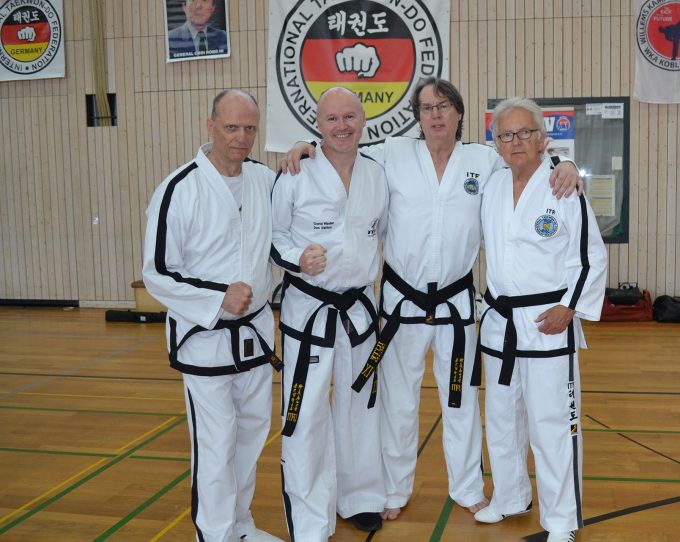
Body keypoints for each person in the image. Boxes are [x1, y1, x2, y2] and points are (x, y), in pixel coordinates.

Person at [282, 78, 583, 522]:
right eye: (425, 108)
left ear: (460, 114)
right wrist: (305, 145)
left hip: (456, 304)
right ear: (417, 117)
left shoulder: (483, 160)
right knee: (397, 403)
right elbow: (342, 146)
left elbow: (530, 164)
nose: (435, 115)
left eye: (443, 106)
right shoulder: (392, 154)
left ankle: (466, 486)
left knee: (459, 399)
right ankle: (394, 489)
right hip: (400, 303)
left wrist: (566, 163)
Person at [142, 89, 283, 542]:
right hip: (205, 338)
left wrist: (305, 152)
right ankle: (216, 534)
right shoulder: (178, 189)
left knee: (251, 436)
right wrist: (219, 296)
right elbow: (158, 273)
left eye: (250, 129)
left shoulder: (263, 179)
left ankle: (241, 526)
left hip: (256, 334)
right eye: (231, 127)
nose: (242, 138)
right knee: (216, 442)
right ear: (210, 125)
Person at [474, 97, 607, 542]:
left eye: (525, 132)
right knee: (502, 418)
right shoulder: (492, 186)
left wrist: (570, 307)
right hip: (500, 323)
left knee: (552, 426)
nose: (516, 142)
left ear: (543, 137)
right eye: (506, 134)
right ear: (496, 143)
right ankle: (510, 497)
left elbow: (590, 256)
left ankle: (562, 520)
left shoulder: (562, 186)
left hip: (550, 322)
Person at [271, 86, 388, 540]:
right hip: (309, 309)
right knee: (307, 413)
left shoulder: (378, 173)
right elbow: (274, 235)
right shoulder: (296, 171)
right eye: (332, 119)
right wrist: (299, 257)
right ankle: (310, 516)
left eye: (350, 117)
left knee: (362, 403)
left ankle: (359, 497)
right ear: (317, 125)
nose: (342, 126)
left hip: (359, 308)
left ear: (363, 120)